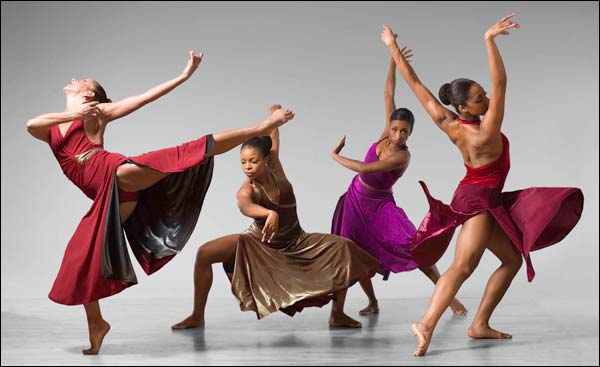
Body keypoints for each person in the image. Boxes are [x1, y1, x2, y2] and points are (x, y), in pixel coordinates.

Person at [26, 51, 295, 354]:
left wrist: (183, 75)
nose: (76, 79)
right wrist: (77, 115)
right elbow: (31, 123)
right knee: (82, 257)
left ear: (91, 94)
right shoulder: (54, 127)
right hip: (107, 197)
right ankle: (97, 324)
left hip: (117, 174)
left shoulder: (99, 114)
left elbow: (143, 98)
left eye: (83, 80)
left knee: (187, 151)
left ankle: (260, 128)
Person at [380, 15, 583, 356]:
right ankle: (426, 324)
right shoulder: (487, 131)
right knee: (463, 266)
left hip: (476, 196)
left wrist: (391, 47)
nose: (487, 98)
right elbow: (502, 82)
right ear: (463, 107)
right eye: (479, 98)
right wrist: (489, 40)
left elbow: (415, 84)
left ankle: (479, 325)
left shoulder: (449, 122)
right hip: (479, 203)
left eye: (483, 94)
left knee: (511, 260)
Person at [172, 105, 380, 331]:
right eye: (243, 162)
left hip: (297, 240)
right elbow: (245, 206)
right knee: (204, 253)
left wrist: (274, 117)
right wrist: (268, 213)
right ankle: (197, 316)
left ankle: (337, 314)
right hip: (261, 243)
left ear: (267, 160)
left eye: (253, 161)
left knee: (345, 249)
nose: (247, 167)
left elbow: (274, 136)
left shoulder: (276, 168)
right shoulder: (247, 189)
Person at [330, 55, 467, 317]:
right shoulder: (385, 135)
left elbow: (364, 168)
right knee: (354, 253)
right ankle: (372, 301)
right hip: (355, 201)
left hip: (380, 206)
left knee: (414, 248)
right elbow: (387, 93)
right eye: (394, 129)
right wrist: (393, 60)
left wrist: (335, 155)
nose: (397, 135)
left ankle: (449, 298)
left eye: (404, 131)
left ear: (410, 133)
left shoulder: (401, 156)